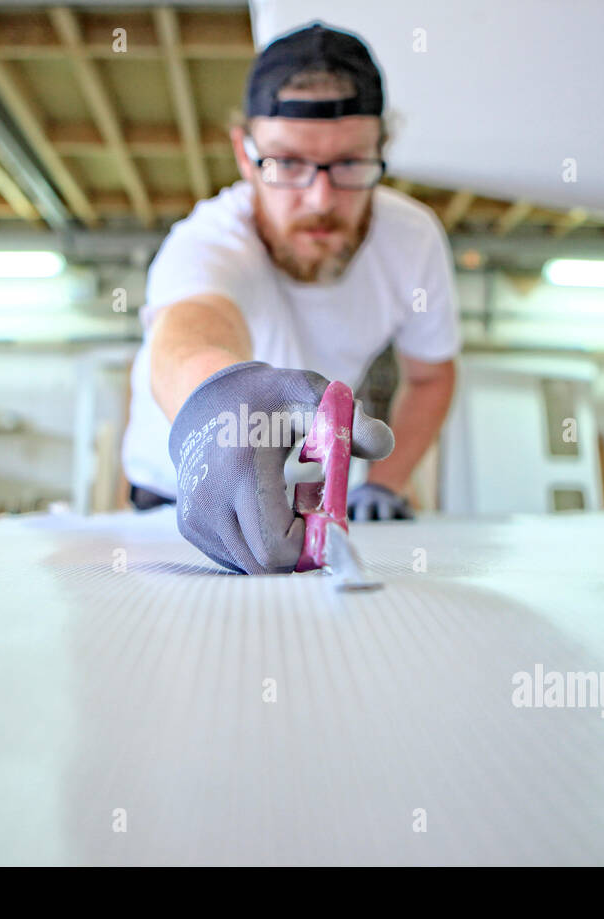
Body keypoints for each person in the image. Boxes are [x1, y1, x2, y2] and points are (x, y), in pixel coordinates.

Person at [120, 21, 460, 574]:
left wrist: (385, 485)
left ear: (383, 149)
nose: (319, 198)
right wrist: (218, 404)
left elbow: (431, 375)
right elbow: (189, 328)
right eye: (287, 164)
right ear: (243, 152)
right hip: (175, 499)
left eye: (350, 163)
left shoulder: (413, 241)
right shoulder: (205, 242)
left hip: (312, 501)